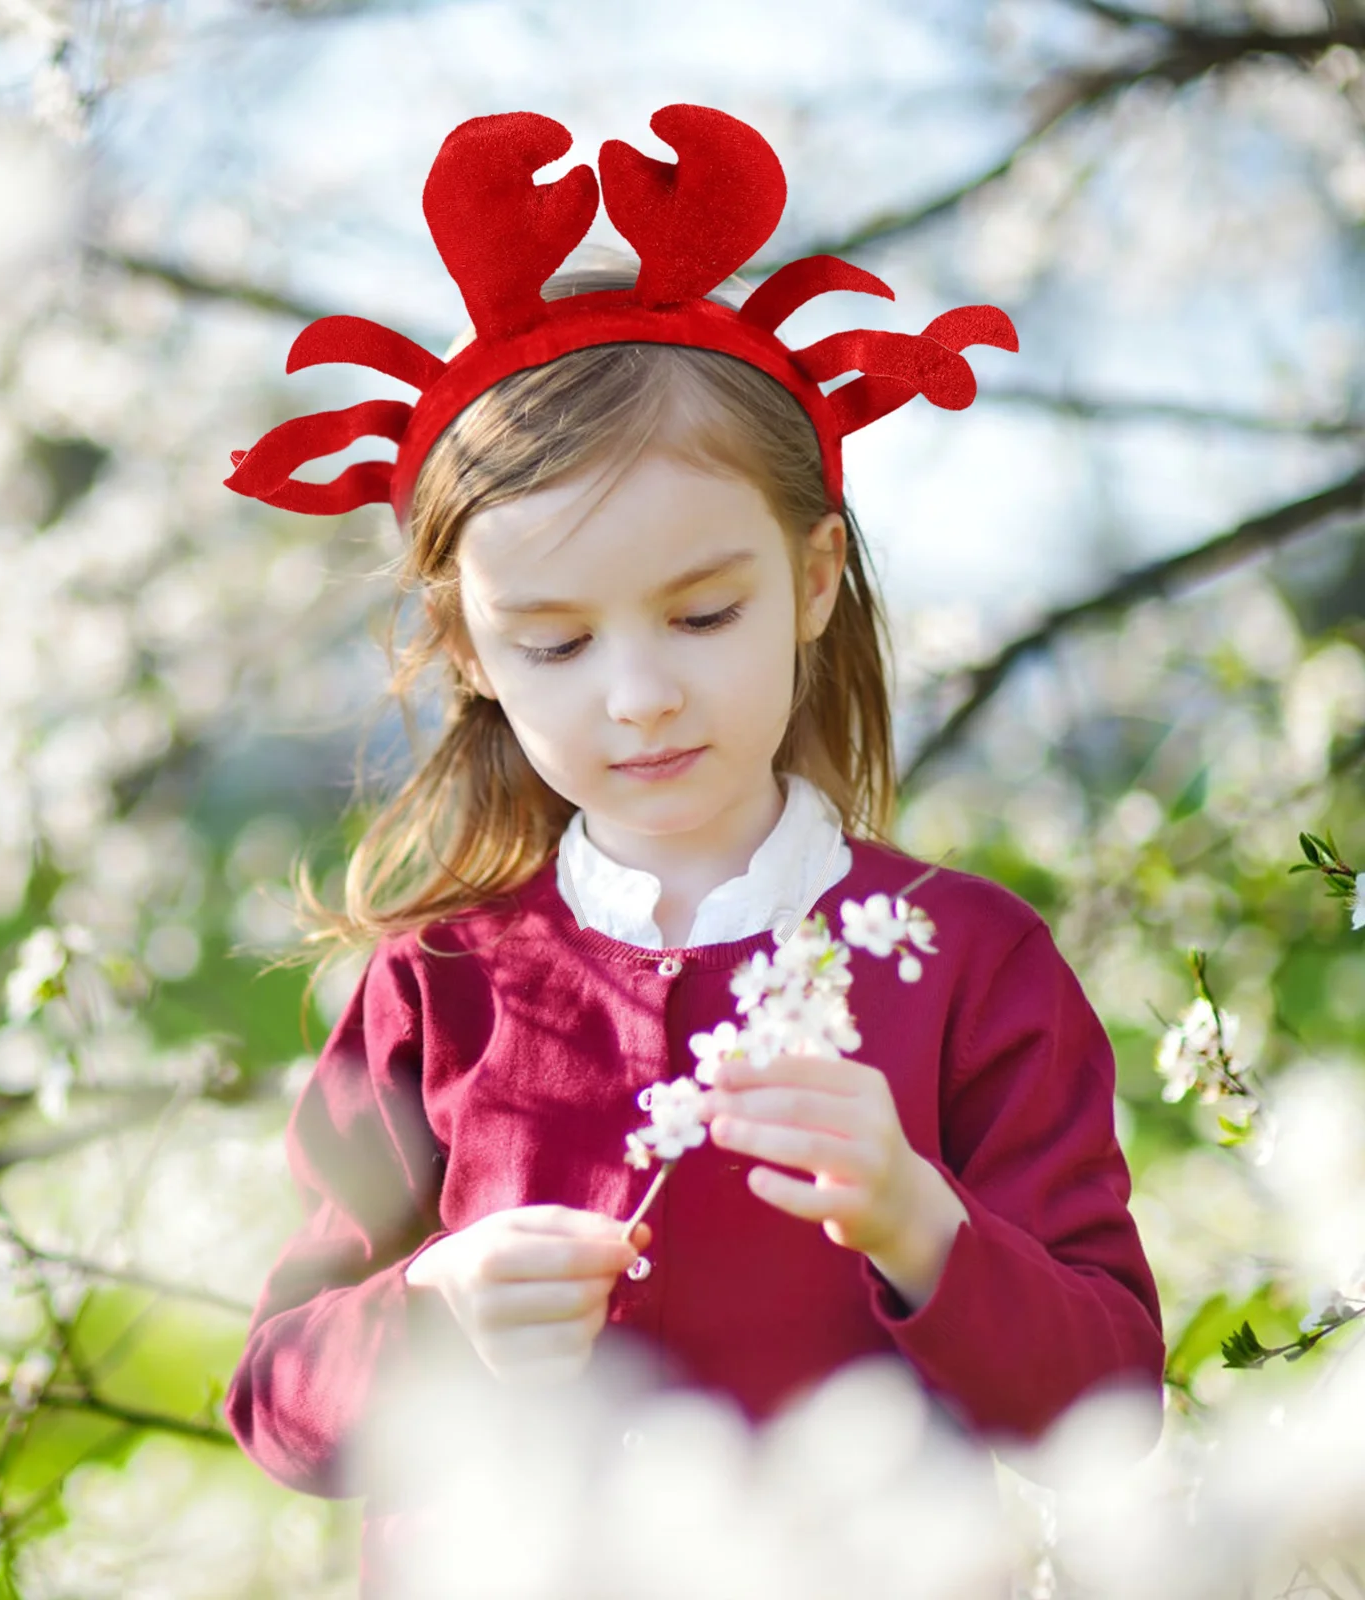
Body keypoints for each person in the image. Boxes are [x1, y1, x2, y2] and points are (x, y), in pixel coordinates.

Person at [222, 104, 1165, 1588]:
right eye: (556, 640)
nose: (641, 692)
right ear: (471, 651)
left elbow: (1109, 1399)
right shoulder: (441, 986)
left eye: (702, 612)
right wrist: (437, 1310)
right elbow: (277, 1405)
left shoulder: (967, 963)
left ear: (810, 575)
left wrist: (923, 1223)